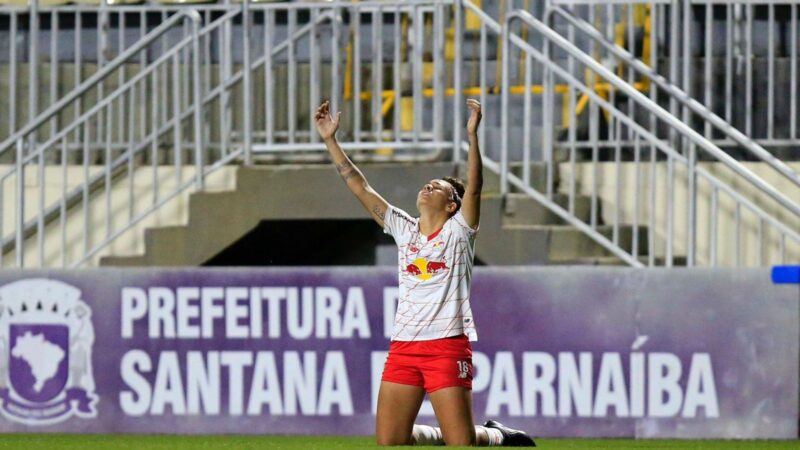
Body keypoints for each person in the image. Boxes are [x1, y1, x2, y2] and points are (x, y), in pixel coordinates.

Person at [314, 99, 535, 447]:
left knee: (461, 443)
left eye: (437, 187)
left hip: (446, 345)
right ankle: (449, 434)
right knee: (391, 440)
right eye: (427, 184)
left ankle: (497, 436)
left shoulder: (459, 231)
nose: (427, 187)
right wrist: (331, 140)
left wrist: (472, 137)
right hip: (404, 345)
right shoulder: (404, 229)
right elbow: (360, 187)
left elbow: (475, 187)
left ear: (452, 205)